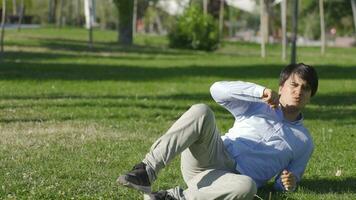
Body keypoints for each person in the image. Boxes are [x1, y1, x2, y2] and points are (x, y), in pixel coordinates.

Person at [117, 63, 318, 200]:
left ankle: (173, 197)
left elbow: (284, 184)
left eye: (305, 88)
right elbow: (217, 89)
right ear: (281, 87)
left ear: (310, 96)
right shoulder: (257, 105)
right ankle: (146, 171)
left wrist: (289, 184)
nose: (298, 91)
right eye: (294, 85)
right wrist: (259, 92)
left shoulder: (304, 142)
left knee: (247, 187)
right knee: (202, 111)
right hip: (210, 158)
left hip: (231, 181)